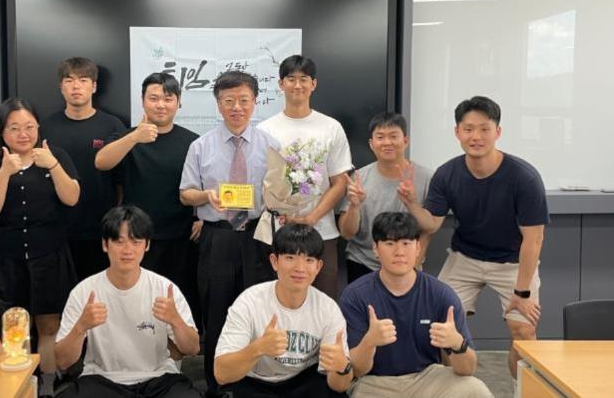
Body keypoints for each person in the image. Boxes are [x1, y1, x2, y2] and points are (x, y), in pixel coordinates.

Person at [398, 96, 547, 378]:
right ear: (457, 132)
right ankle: (450, 390)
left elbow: (534, 239)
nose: (475, 137)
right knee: (442, 326)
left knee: (524, 330)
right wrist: (412, 204)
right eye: (468, 129)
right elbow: (432, 224)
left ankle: (524, 391)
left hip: (513, 262)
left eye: (484, 129)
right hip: (465, 257)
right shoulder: (447, 174)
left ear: (497, 132)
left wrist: (522, 293)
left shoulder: (524, 177)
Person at [179, 70, 280, 398]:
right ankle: (217, 383)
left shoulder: (272, 145)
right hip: (218, 238)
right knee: (216, 310)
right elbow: (185, 194)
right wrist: (206, 196)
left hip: (258, 237)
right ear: (218, 104)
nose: (237, 107)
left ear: (255, 102)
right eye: (229, 100)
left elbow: (282, 192)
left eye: (243, 100)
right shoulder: (200, 146)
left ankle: (254, 381)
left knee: (258, 309)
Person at [0, 97, 80, 397]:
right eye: (15, 128)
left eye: (30, 127)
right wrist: (5, 172)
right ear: (2, 131)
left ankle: (47, 384)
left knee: (49, 323)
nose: (23, 134)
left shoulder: (54, 154)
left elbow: (72, 197)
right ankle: (19, 384)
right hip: (10, 257)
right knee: (15, 324)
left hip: (49, 253)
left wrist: (53, 165)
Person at [339, 212, 492, 398]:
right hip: (374, 382)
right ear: (376, 249)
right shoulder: (355, 295)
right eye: (390, 243)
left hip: (427, 378)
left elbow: (468, 369)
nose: (399, 252)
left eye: (406, 243)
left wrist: (457, 344)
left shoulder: (441, 294)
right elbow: (355, 370)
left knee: (475, 389)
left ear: (418, 247)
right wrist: (369, 342)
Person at [54, 205, 201, 398]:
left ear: (146, 245)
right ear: (105, 245)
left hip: (158, 378)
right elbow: (63, 361)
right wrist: (81, 327)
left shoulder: (165, 288)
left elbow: (193, 349)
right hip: (102, 379)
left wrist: (176, 320)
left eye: (136, 241)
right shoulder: (84, 291)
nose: (127, 250)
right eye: (119, 241)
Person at [94, 73, 202, 326]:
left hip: (180, 237)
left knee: (177, 304)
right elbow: (101, 162)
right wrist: (134, 138)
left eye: (168, 98)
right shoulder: (127, 137)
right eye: (154, 98)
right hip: (136, 239)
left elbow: (204, 185)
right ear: (143, 101)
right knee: (135, 305)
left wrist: (202, 219)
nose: (161, 105)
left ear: (178, 103)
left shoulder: (193, 141)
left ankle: (175, 350)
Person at [214, 224, 352, 398]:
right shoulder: (249, 302)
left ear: (318, 267)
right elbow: (221, 374)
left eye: (309, 260)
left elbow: (339, 387)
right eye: (290, 257)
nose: (300, 268)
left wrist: (342, 368)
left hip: (304, 382)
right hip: (256, 383)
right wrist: (258, 348)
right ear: (274, 261)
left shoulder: (328, 309)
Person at [257, 55, 351, 300]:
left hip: (322, 232)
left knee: (323, 301)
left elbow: (340, 182)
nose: (297, 85)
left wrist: (311, 217)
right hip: (279, 232)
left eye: (304, 79)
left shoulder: (331, 127)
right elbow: (260, 182)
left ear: (313, 84)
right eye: (291, 79)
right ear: (281, 84)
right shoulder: (264, 130)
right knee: (277, 300)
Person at [43, 57, 127, 285]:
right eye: (69, 80)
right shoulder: (46, 127)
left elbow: (122, 179)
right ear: (61, 86)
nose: (76, 86)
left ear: (94, 86)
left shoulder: (113, 125)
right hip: (56, 230)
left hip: (101, 229)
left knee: (100, 294)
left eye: (83, 80)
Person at [338, 112, 433, 284]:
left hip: (407, 264)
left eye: (393, 136)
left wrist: (413, 266)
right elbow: (347, 233)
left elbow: (429, 228)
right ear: (371, 144)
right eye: (380, 137)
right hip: (363, 262)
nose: (387, 142)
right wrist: (354, 206)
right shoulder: (359, 178)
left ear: (406, 140)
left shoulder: (426, 177)